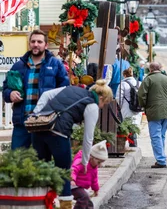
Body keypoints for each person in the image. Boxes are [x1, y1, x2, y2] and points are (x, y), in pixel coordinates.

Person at [31, 80, 113, 209]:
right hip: (59, 134)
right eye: (104, 103)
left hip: (39, 130)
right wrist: (85, 161)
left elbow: (46, 94)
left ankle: (42, 205)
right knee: (64, 174)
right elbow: (88, 138)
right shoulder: (92, 105)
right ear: (101, 98)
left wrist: (36, 114)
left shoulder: (70, 88)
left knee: (42, 170)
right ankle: (65, 206)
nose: (102, 106)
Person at [2, 29, 69, 149]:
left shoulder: (56, 65)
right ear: (29, 44)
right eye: (33, 41)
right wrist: (10, 93)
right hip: (22, 122)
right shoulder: (18, 66)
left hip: (45, 122)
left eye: (39, 41)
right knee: (18, 161)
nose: (36, 44)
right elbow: (6, 89)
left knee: (42, 161)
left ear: (46, 45)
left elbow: (64, 91)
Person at [138, 62, 167, 168]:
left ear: (150, 69)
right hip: (166, 111)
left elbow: (141, 95)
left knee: (155, 137)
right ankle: (161, 157)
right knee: (161, 136)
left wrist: (143, 105)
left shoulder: (148, 80)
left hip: (154, 111)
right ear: (160, 68)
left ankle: (161, 160)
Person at [71, 140, 108, 209]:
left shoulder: (94, 167)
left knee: (88, 203)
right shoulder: (81, 161)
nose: (99, 165)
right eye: (99, 162)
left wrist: (96, 189)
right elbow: (73, 169)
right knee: (84, 197)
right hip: (73, 186)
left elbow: (94, 179)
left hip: (80, 187)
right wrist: (72, 179)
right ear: (91, 157)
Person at [116, 67, 142, 147]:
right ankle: (134, 143)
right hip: (138, 108)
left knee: (129, 126)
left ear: (124, 75)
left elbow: (118, 98)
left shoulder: (122, 84)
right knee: (135, 126)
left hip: (127, 108)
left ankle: (132, 144)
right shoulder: (139, 83)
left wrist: (119, 108)